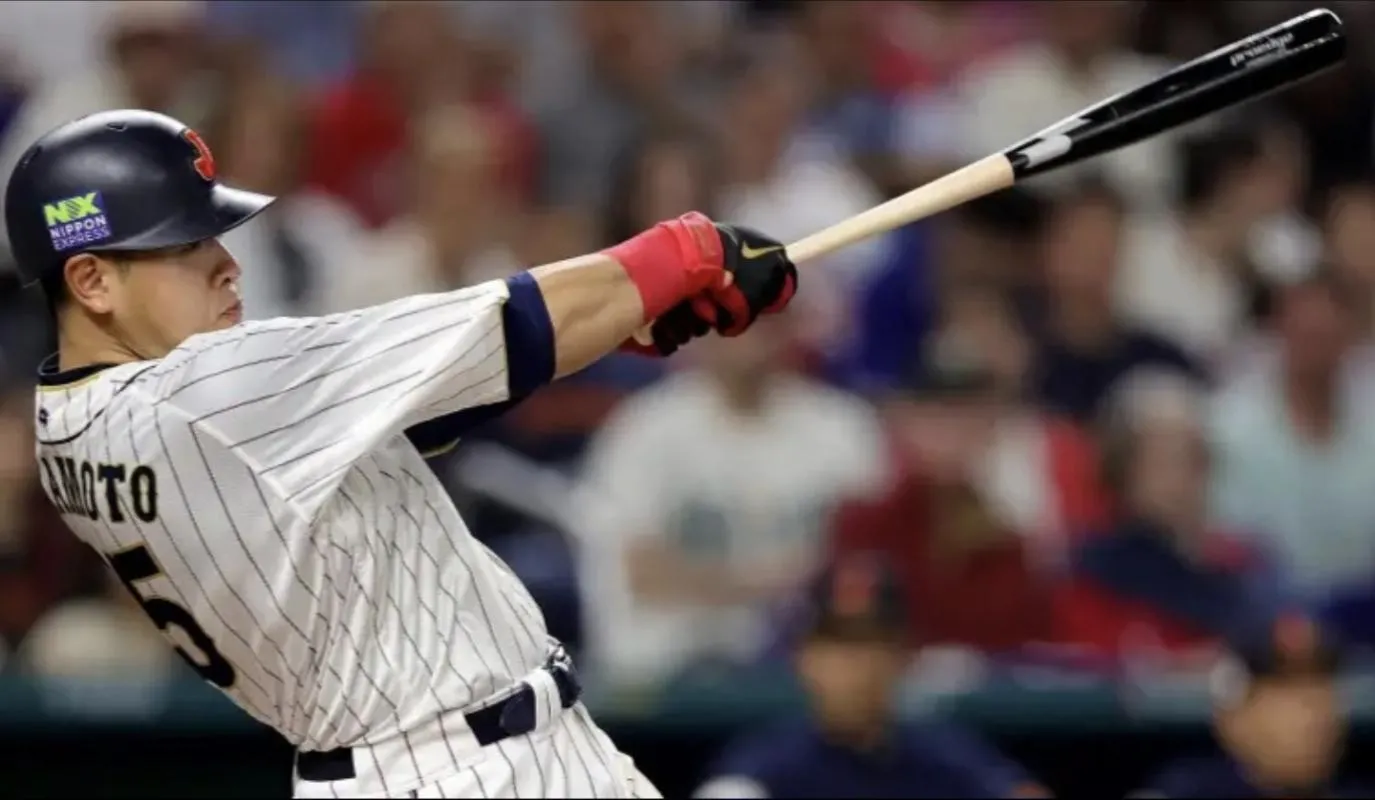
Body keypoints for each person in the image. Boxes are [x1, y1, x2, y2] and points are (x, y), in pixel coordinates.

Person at [1, 109, 798, 799]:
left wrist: (615, 321)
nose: (228, 264)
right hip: (461, 768)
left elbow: (403, 417)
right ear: (92, 281)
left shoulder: (64, 421)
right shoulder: (197, 386)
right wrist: (683, 254)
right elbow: (504, 323)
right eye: (182, 245)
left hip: (441, 759)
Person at [694, 555, 1047, 799]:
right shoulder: (766, 764)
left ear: (901, 658)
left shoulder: (946, 756)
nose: (855, 666)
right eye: (838, 645)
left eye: (869, 644)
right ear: (805, 660)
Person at [1135, 615, 1374, 798]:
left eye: (1320, 685)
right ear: (1232, 717)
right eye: (1286, 689)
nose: (1312, 713)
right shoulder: (1183, 792)